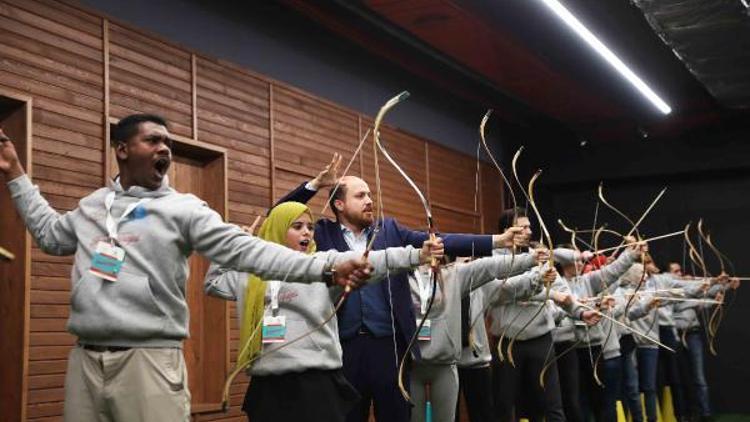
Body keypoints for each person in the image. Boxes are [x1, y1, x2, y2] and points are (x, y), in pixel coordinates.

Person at [0, 115, 371, 422]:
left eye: (168, 143)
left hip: (149, 358)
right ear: (123, 149)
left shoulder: (184, 209)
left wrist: (329, 267)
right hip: (85, 360)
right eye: (153, 140)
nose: (164, 148)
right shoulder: (93, 206)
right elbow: (50, 235)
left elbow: (252, 252)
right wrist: (15, 172)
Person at [276, 158, 517, 422]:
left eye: (369, 194)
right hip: (341, 346)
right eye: (360, 195)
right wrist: (315, 184)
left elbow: (441, 241)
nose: (369, 200)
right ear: (339, 204)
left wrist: (496, 241)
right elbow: (278, 216)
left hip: (390, 346)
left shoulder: (388, 228)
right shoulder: (321, 232)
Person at [205, 201, 445, 421]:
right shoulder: (251, 273)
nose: (307, 232)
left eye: (309, 227)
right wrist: (231, 250)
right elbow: (213, 283)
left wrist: (416, 255)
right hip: (267, 387)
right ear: (277, 229)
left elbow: (371, 259)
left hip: (318, 384)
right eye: (297, 226)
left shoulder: (323, 265)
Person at [408, 247, 552, 422]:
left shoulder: (481, 285)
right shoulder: (437, 284)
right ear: (452, 263)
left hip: (476, 362)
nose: (472, 266)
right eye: (466, 262)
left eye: (472, 261)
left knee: (483, 415)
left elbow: (511, 289)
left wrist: (537, 279)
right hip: (445, 361)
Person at [488, 208, 599, 422]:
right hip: (506, 342)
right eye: (524, 227)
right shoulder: (493, 260)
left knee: (552, 406)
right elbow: (499, 292)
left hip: (541, 340)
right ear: (507, 230)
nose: (530, 231)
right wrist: (547, 292)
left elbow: (562, 291)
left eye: (530, 226)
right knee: (505, 406)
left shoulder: (538, 255)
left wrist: (581, 312)